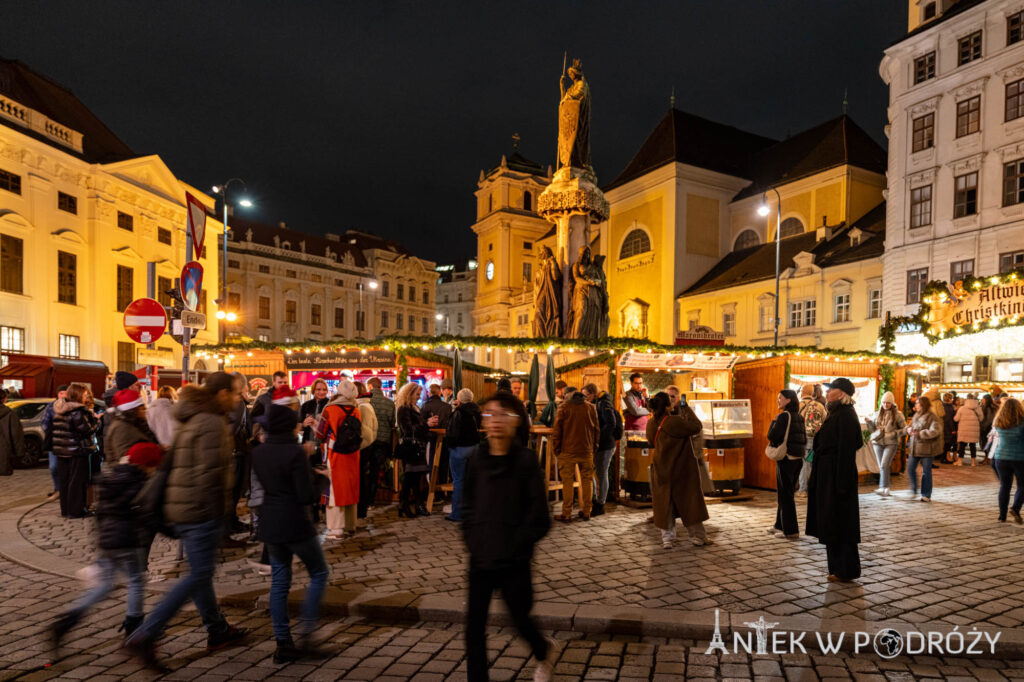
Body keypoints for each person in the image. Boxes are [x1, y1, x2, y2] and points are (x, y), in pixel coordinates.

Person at [124, 373, 248, 670]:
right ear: (220, 394)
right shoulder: (213, 422)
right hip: (200, 509)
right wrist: (220, 514)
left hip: (184, 506)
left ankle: (217, 629)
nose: (236, 398)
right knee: (198, 575)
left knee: (200, 572)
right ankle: (146, 634)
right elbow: (209, 473)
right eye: (233, 393)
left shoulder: (192, 416)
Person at [462, 392, 554, 682]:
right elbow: (467, 505)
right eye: (489, 415)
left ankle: (542, 651)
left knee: (519, 619)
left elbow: (540, 517)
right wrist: (472, 538)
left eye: (502, 414)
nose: (495, 421)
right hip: (481, 556)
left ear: (516, 422)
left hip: (514, 558)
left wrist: (517, 545)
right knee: (473, 626)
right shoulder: (476, 458)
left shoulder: (525, 461)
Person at [50, 442, 164, 656]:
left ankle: (66, 621)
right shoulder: (139, 482)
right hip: (128, 541)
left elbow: (102, 513)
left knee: (104, 585)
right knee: (137, 581)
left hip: (108, 541)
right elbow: (147, 516)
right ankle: (134, 629)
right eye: (153, 466)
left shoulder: (114, 477)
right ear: (146, 465)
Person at [250, 400, 330, 663]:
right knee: (318, 572)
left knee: (280, 582)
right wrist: (318, 476)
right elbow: (305, 494)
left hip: (270, 522)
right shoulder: (295, 453)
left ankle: (283, 642)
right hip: (295, 521)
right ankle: (307, 635)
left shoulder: (259, 452)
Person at [806, 378, 862, 583]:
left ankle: (845, 569)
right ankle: (837, 568)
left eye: (831, 390)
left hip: (837, 478)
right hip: (829, 475)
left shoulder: (845, 415)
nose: (827, 393)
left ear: (841, 394)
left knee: (840, 524)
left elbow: (848, 449)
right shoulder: (836, 412)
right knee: (832, 523)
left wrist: (841, 483)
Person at [645, 392, 711, 549]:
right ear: (668, 405)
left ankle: (667, 539)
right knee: (690, 501)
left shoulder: (651, 424)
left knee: (665, 503)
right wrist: (685, 408)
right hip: (682, 469)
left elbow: (650, 443)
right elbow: (696, 426)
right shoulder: (675, 422)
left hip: (661, 468)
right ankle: (698, 537)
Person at [316, 380, 368, 539]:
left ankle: (336, 529)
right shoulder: (356, 409)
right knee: (350, 488)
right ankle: (350, 525)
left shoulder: (330, 409)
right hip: (353, 454)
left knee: (334, 490)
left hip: (335, 453)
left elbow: (320, 433)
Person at [551, 385, 598, 522]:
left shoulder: (564, 407)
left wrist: (557, 449)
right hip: (587, 450)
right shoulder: (591, 407)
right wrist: (594, 447)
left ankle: (566, 513)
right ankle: (587, 511)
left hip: (567, 451)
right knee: (587, 481)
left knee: (567, 482)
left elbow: (557, 431)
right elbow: (597, 430)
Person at [52, 383, 99, 518]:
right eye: (84, 394)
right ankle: (76, 510)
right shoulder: (78, 411)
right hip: (77, 450)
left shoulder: (59, 409)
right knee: (77, 481)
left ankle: (66, 510)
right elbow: (87, 430)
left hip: (62, 450)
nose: (85, 396)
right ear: (78, 395)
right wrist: (96, 421)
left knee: (65, 481)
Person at [767, 390, 806, 539]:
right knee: (785, 492)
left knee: (786, 495)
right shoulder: (799, 417)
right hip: (797, 459)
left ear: (788, 400)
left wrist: (774, 421)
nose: (778, 400)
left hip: (786, 458)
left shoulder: (783, 416)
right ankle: (779, 524)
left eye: (780, 398)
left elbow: (771, 436)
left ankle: (791, 531)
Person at [395, 382, 436, 517]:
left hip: (417, 447)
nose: (419, 397)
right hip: (411, 448)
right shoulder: (404, 409)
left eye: (419, 394)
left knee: (415, 478)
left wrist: (427, 425)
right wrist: (426, 424)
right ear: (409, 393)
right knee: (410, 478)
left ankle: (412, 505)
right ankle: (407, 505)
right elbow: (408, 430)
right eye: (417, 394)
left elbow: (417, 428)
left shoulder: (414, 408)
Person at [360, 377, 395, 521]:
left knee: (363, 471)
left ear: (369, 386)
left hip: (367, 441)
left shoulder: (366, 402)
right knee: (375, 471)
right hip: (383, 441)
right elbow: (393, 422)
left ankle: (362, 500)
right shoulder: (389, 403)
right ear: (381, 386)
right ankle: (371, 501)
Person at [446, 388, 482, 522]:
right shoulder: (477, 411)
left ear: (459, 399)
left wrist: (449, 445)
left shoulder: (458, 412)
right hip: (474, 448)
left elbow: (453, 433)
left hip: (459, 449)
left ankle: (457, 513)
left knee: (459, 481)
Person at [582, 383, 617, 516]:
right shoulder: (596, 403)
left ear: (592, 394)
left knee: (602, 474)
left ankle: (600, 504)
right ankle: (595, 501)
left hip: (605, 445)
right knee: (595, 472)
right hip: (598, 444)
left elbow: (611, 423)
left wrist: (598, 437)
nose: (584, 398)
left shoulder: (603, 403)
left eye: (586, 395)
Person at [991, 397, 1024, 523]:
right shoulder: (1022, 423)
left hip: (1001, 457)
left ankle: (1002, 515)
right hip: (1019, 457)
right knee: (1022, 485)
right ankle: (1015, 508)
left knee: (1005, 486)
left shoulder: (999, 422)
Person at [104, 389, 159, 462]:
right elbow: (125, 458)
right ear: (133, 411)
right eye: (142, 408)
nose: (145, 409)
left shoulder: (136, 423)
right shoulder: (121, 427)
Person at [868, 392, 906, 496]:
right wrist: (869, 423)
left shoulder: (898, 415)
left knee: (884, 464)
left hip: (891, 443)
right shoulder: (877, 414)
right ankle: (884, 487)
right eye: (884, 403)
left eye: (888, 403)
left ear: (892, 403)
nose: (885, 405)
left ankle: (885, 487)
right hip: (878, 442)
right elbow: (872, 430)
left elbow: (904, 429)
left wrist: (893, 434)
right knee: (882, 466)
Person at [905, 395, 942, 502]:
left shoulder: (932, 416)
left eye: (917, 403)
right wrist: (909, 430)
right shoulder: (916, 415)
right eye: (916, 403)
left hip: (927, 449)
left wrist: (920, 433)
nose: (915, 405)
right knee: (911, 469)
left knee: (926, 471)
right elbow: (910, 426)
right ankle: (914, 489)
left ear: (923, 405)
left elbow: (935, 431)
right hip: (914, 447)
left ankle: (926, 494)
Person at [796, 384, 827, 497]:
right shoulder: (819, 405)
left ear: (803, 392)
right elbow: (825, 420)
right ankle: (815, 489)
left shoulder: (799, 405)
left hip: (803, 439)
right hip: (816, 439)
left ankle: (803, 490)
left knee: (803, 464)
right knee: (815, 464)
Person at [41, 384, 68, 501]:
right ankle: (58, 489)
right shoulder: (51, 407)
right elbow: (44, 423)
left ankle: (65, 489)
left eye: (65, 393)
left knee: (67, 467)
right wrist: (52, 431)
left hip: (67, 442)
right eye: (61, 393)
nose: (63, 395)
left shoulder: (71, 406)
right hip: (54, 442)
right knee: (54, 467)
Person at [299, 379, 330, 449]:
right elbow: (299, 426)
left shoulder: (330, 405)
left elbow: (333, 427)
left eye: (324, 389)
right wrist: (304, 424)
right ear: (313, 390)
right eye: (318, 389)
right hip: (308, 445)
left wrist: (318, 425)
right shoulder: (305, 405)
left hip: (324, 446)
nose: (321, 392)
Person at [954, 393, 984, 466]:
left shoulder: (962, 408)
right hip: (974, 431)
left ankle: (960, 461)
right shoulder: (978, 408)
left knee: (962, 446)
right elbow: (981, 418)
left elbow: (956, 419)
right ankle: (973, 462)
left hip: (963, 429)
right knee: (972, 446)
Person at [0, 388, 24, 475]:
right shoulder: (10, 414)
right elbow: (16, 435)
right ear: (4, 399)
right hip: (3, 453)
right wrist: (19, 453)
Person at [941, 392, 958, 463]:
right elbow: (949, 419)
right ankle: (945, 458)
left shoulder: (944, 406)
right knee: (947, 443)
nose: (952, 399)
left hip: (945, 426)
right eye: (952, 398)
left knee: (947, 443)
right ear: (949, 399)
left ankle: (945, 458)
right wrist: (953, 429)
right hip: (948, 428)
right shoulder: (948, 407)